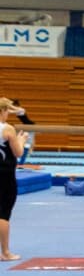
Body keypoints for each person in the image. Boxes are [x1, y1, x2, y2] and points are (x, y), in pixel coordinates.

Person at [0, 98, 30, 261]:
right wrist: (22, 140)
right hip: (4, 175)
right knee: (3, 213)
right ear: (3, 111)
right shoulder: (7, 129)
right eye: (6, 112)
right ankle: (5, 252)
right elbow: (18, 153)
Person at [11, 99, 34, 165]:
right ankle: (21, 161)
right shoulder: (17, 110)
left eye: (13, 105)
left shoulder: (21, 109)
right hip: (26, 126)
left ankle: (21, 162)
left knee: (27, 145)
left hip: (30, 126)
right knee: (23, 143)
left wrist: (8, 107)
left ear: (16, 105)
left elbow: (12, 111)